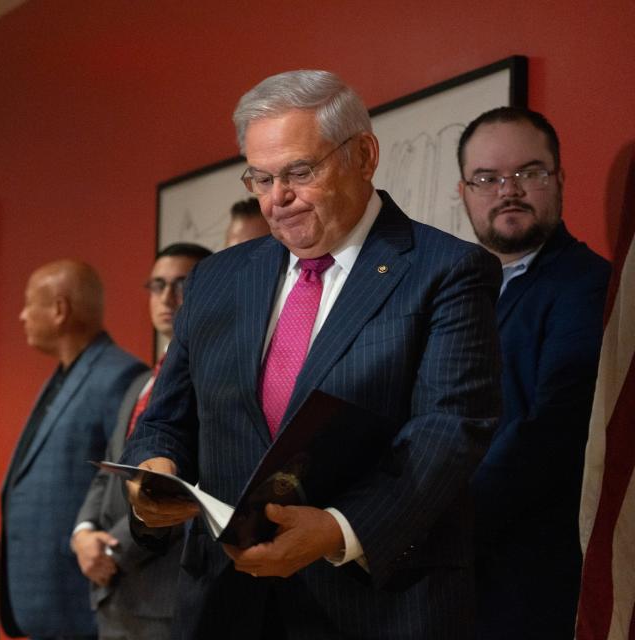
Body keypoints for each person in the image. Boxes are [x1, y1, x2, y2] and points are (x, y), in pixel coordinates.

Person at [122, 69, 503, 639]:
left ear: (365, 156)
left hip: (376, 605)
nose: (278, 199)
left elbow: (448, 430)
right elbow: (167, 419)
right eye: (261, 178)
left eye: (299, 172)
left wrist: (336, 529)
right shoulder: (216, 279)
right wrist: (152, 472)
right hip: (225, 603)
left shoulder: (445, 270)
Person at [457, 107, 611, 639]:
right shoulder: (460, 293)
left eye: (530, 172)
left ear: (559, 180)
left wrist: (425, 528)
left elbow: (553, 429)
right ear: (465, 192)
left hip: (531, 589)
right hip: (453, 591)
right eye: (488, 177)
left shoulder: (588, 285)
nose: (510, 189)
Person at [1, 259, 148, 640]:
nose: (21, 315)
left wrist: (106, 553)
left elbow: (129, 480)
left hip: (84, 593)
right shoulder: (65, 373)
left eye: (28, 303)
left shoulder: (118, 376)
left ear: (59, 309)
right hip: (50, 601)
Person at [72, 242, 211, 640]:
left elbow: (188, 480)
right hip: (114, 591)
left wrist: (112, 549)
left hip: (164, 591)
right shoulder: (140, 383)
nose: (168, 297)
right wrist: (83, 532)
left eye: (182, 283)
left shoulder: (214, 382)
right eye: (158, 285)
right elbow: (108, 469)